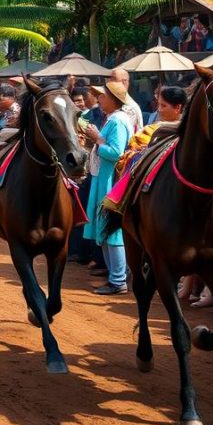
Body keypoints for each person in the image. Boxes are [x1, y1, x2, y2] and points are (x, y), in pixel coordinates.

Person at [83, 81, 134, 294]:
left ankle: (118, 280)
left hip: (110, 180)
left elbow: (116, 153)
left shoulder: (119, 121)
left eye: (102, 96)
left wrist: (97, 139)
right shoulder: (112, 119)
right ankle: (116, 277)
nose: (99, 98)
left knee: (112, 230)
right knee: (105, 229)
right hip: (102, 177)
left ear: (113, 99)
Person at [108, 68, 143, 133]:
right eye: (110, 79)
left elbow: (119, 133)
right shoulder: (119, 103)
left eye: (114, 79)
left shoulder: (129, 107)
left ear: (124, 82)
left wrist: (97, 136)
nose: (110, 82)